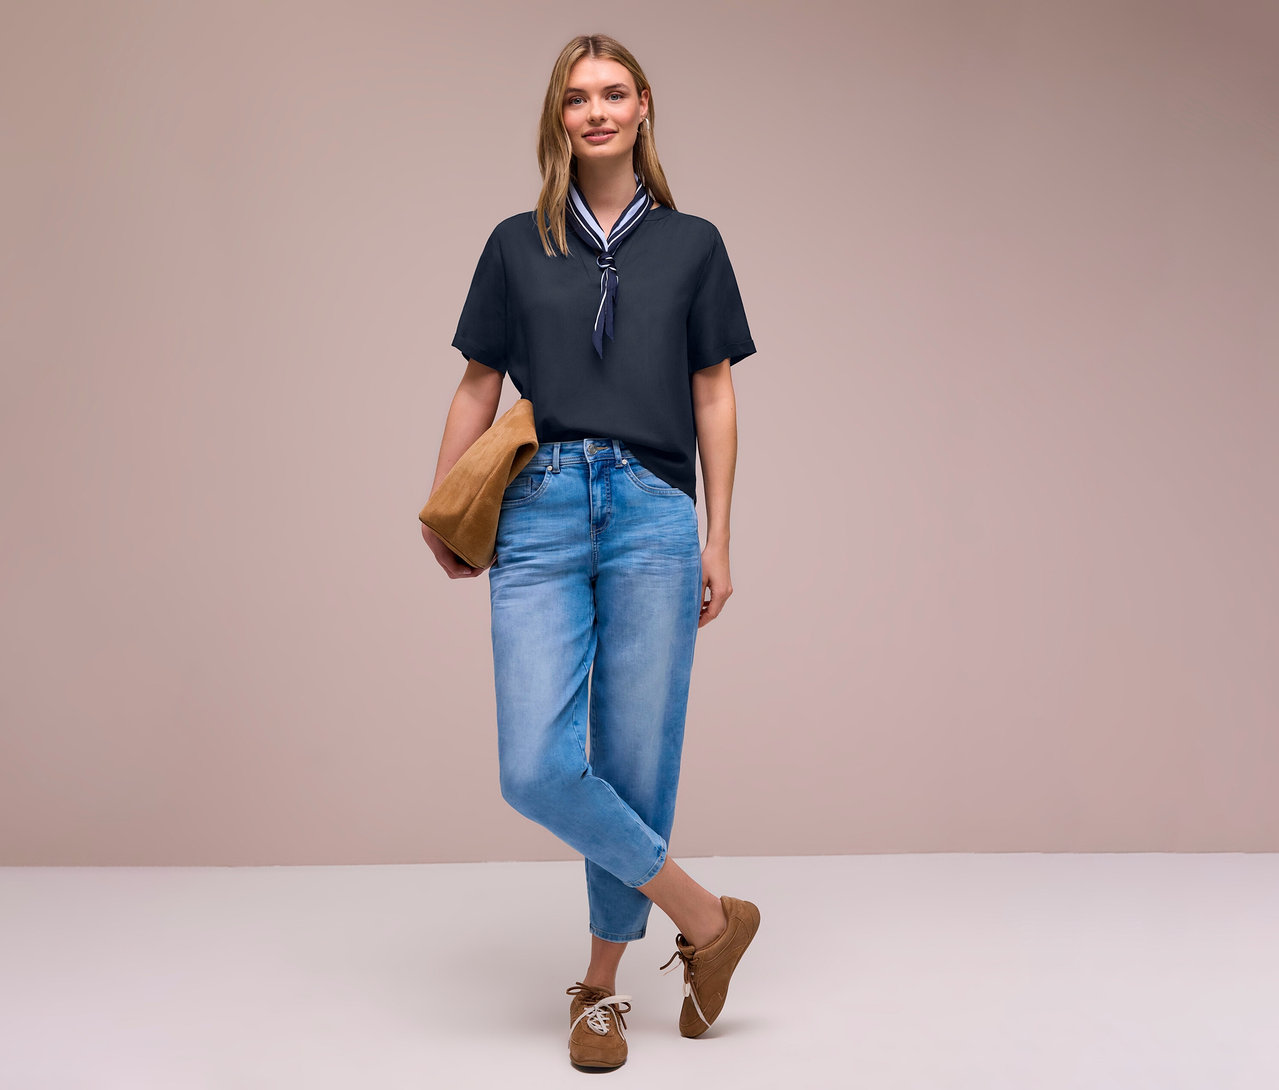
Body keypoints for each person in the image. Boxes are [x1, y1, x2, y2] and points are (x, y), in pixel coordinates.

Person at [421, 33, 760, 1073]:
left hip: (655, 509)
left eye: (615, 93)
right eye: (579, 98)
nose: (598, 111)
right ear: (558, 117)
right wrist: (444, 508)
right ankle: (708, 918)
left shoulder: (694, 243)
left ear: (645, 106)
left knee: (633, 758)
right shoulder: (516, 243)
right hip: (541, 504)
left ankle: (601, 989)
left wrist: (717, 533)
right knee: (535, 765)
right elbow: (479, 382)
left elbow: (713, 391)